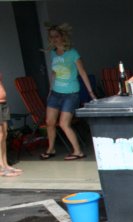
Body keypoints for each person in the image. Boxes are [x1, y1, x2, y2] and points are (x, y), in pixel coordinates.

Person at [41, 22, 96, 161]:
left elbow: (82, 72)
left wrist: (90, 93)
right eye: (51, 36)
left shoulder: (72, 53)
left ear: (62, 37)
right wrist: (50, 90)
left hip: (70, 94)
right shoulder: (53, 53)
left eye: (56, 36)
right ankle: (51, 149)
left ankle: (78, 151)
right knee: (49, 122)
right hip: (55, 93)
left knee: (64, 124)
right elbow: (54, 72)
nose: (54, 39)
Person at [0, 72, 23, 176]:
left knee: (4, 134)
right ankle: (1, 167)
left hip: (3, 103)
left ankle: (5, 164)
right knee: (0, 135)